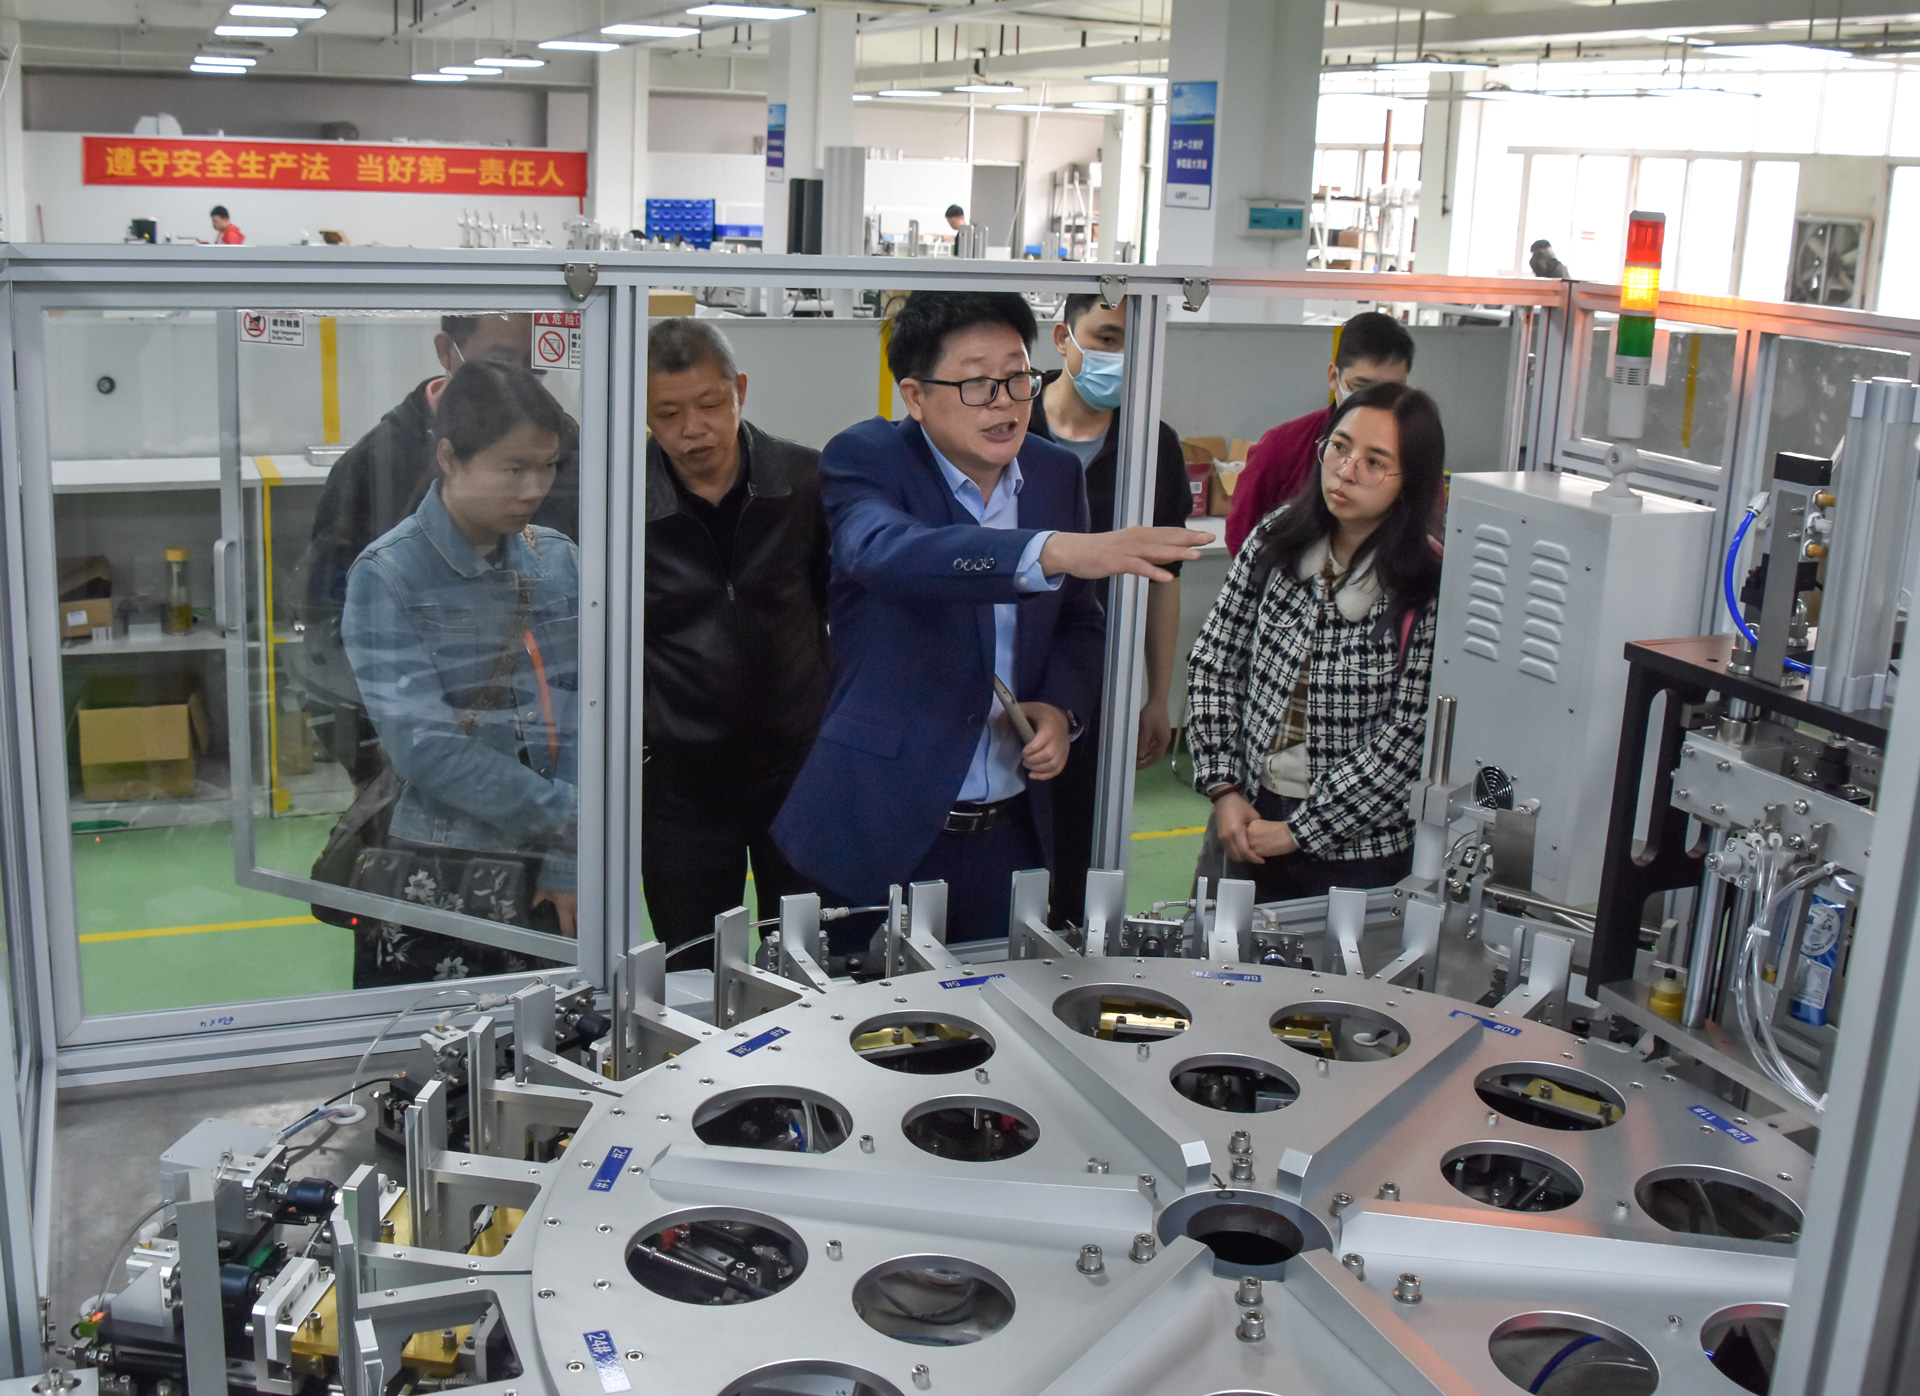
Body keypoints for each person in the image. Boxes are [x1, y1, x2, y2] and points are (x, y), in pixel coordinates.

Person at [772, 291, 1209, 946]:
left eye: (1017, 377)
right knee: (866, 1004)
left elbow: (1078, 622)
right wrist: (1049, 551)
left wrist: (1060, 710)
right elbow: (884, 551)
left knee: (1002, 1001)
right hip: (881, 823)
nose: (1005, 403)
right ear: (916, 396)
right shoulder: (868, 457)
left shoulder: (1053, 473)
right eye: (977, 383)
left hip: (1010, 832)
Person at [340, 361, 579, 984]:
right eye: (514, 468)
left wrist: (571, 860)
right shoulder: (389, 574)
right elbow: (425, 746)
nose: (534, 489)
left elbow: (592, 709)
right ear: (449, 457)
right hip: (444, 865)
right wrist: (570, 816)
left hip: (557, 871)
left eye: (547, 465)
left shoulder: (558, 561)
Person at [1186, 381, 1444, 905]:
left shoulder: (1427, 583)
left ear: (1411, 481)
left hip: (1360, 850)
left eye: (1375, 462)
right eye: (1339, 447)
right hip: (1247, 817)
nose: (1346, 471)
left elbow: (1409, 737)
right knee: (1216, 949)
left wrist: (1303, 831)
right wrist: (1224, 788)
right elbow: (1213, 660)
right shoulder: (1277, 539)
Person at [296, 313, 580, 784]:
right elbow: (329, 636)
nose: (532, 492)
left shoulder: (561, 534)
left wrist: (585, 805)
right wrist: (370, 767)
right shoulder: (375, 470)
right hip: (437, 793)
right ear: (447, 351)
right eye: (500, 360)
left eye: (535, 367)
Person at [643, 319, 831, 968]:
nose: (693, 429)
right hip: (681, 785)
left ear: (739, 390)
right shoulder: (623, 499)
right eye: (668, 414)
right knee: (691, 970)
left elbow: (836, 605)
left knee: (805, 960)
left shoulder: (805, 481)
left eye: (710, 404)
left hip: (797, 772)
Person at [1027, 293, 1193, 925]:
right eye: (1105, 338)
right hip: (1009, 677)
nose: (1119, 358)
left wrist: (1158, 696)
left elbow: (1163, 580)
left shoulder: (1154, 445)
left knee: (1082, 852)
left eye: (1135, 345)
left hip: (1102, 685)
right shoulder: (1010, 424)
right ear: (1062, 337)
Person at [1224, 311, 1414, 556]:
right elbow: (1241, 534)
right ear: (1334, 377)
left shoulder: (1414, 450)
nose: (1374, 403)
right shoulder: (1283, 446)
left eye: (1391, 391)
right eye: (1361, 387)